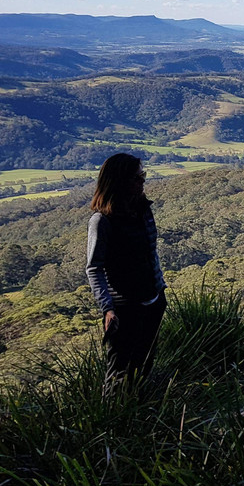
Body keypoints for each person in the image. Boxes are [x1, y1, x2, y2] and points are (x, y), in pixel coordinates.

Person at [86, 153, 167, 387]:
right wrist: (107, 309)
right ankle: (114, 421)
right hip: (124, 308)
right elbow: (94, 267)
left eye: (143, 175)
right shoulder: (102, 221)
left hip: (153, 301)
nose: (143, 181)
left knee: (144, 366)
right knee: (118, 372)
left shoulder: (142, 210)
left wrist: (159, 291)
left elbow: (151, 252)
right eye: (137, 177)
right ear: (119, 181)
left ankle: (139, 416)